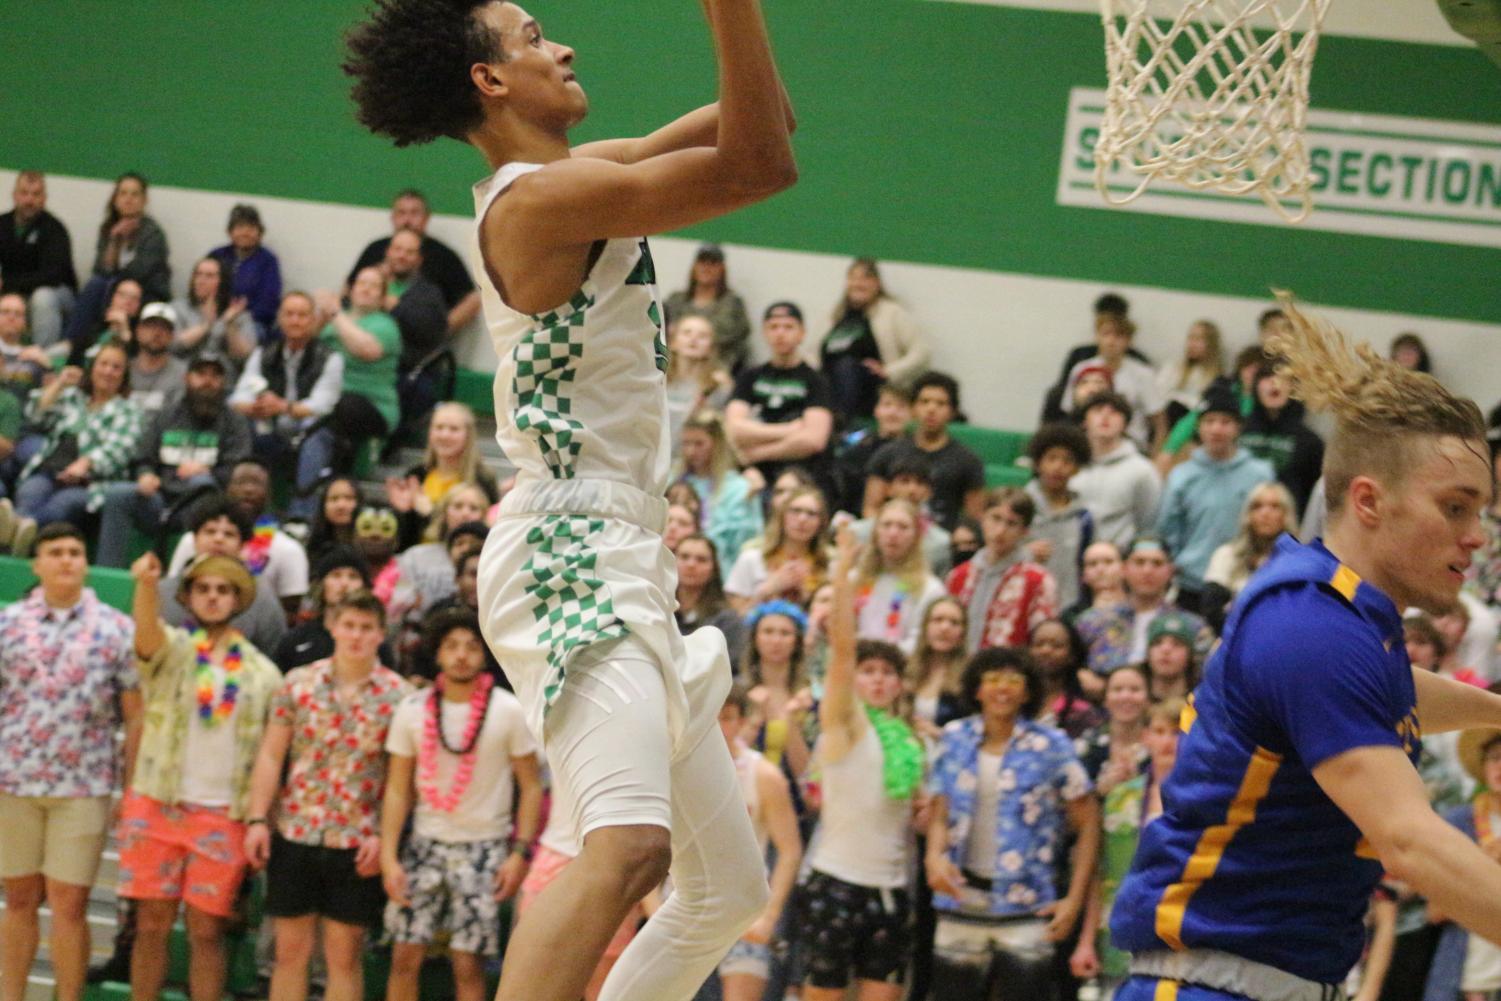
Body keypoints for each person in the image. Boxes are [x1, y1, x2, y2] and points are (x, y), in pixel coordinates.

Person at [342, 2, 798, 999]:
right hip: (568, 547)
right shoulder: (539, 202)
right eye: (534, 34)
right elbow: (762, 164)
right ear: (491, 81)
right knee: (628, 845)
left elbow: (765, 124)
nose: (564, 44)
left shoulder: (578, 178)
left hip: (620, 542)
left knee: (724, 889)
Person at [1109, 296, 1501, 1001]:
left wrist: (1494, 711)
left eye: (1479, 509)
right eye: (1454, 506)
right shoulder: (1310, 626)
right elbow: (1408, 840)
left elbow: (1391, 689)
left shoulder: (1342, 620)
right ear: (1367, 499)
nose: (1476, 533)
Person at [123, 549, 281, 1001]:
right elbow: (146, 634)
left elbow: (269, 757)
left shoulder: (263, 674)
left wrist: (259, 818)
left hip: (223, 814)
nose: (213, 597)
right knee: (150, 924)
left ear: (238, 600)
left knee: (207, 930)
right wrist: (147, 586)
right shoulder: (171, 650)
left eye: (223, 590)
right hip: (158, 800)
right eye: (203, 589)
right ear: (188, 597)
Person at [244, 591, 412, 1001]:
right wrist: (255, 820)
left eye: (366, 628)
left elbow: (399, 783)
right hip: (295, 830)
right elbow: (271, 755)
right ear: (333, 627)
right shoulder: (297, 683)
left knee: (344, 957)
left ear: (380, 634)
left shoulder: (401, 697)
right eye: (349, 625)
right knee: (289, 953)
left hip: (357, 841)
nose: (356, 635)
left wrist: (385, 839)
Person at [0, 522, 142, 1001]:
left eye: (75, 551)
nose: (66, 559)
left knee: (70, 904)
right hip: (13, 780)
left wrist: (130, 784)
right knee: (18, 899)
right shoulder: (7, 623)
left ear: (87, 563)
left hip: (83, 785)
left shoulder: (116, 627)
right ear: (36, 564)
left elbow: (134, 712)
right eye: (55, 552)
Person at [381, 608, 542, 1001]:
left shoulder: (508, 709)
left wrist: (519, 853)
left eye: (471, 646)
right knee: (404, 956)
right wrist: (388, 856)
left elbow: (532, 787)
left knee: (468, 964)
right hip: (424, 844)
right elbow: (398, 789)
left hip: (484, 848)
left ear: (485, 655)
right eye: (451, 646)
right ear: (436, 653)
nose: (461, 655)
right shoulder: (412, 709)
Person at [925, 647, 1100, 1001]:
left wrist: (1073, 900)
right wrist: (932, 856)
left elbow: (1089, 822)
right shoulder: (954, 738)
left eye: (1012, 680)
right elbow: (940, 811)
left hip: (1028, 905)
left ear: (1027, 691)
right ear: (976, 689)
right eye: (992, 679)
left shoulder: (1051, 745)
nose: (1001, 688)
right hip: (960, 900)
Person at [798, 529, 925, 1001]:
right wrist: (844, 568)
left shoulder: (911, 743)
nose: (877, 679)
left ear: (899, 685)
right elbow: (843, 653)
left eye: (888, 672)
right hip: (836, 883)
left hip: (890, 888)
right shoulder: (845, 722)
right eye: (869, 672)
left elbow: (909, 815)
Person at [1070, 696, 1184, 999]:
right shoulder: (1120, 798)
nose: (1168, 742)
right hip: (1120, 931)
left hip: (1181, 933)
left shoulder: (1206, 798)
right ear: (1145, 737)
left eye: (1177, 733)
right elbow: (1101, 872)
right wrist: (1085, 941)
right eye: (1159, 732)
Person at [95, 351, 251, 568]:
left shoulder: (234, 422)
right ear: (187, 379)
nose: (208, 381)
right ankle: (108, 574)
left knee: (201, 485)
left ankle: (189, 571)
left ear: (223, 382)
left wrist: (209, 472)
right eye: (201, 374)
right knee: (118, 494)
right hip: (161, 498)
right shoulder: (167, 415)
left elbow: (239, 469)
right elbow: (144, 457)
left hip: (207, 505)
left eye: (215, 376)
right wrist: (145, 475)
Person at [715, 682, 803, 1001]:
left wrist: (770, 916)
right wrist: (654, 907)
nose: (717, 726)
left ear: (741, 721)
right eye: (709, 715)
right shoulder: (675, 767)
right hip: (682, 905)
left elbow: (791, 850)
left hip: (744, 908)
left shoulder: (764, 774)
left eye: (726, 717)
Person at [1155, 383, 1275, 611]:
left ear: (1238, 427)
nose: (1216, 429)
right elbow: (1168, 530)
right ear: (1199, 427)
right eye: (1209, 422)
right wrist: (1179, 563)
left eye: (1225, 422)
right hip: (1192, 583)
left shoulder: (1260, 474)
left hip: (1245, 581)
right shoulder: (1182, 476)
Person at [12, 341, 143, 549]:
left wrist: (87, 462)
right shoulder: (73, 397)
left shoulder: (128, 410)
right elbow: (36, 415)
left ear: (124, 375)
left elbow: (120, 449)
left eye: (116, 367)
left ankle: (21, 532)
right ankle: (17, 536)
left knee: (61, 506)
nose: (108, 371)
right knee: (29, 492)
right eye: (104, 364)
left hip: (90, 483)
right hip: (49, 470)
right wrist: (59, 384)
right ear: (92, 368)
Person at [231, 290, 345, 519]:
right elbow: (237, 398)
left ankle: (300, 517)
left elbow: (323, 405)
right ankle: (245, 512)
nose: (295, 321)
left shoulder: (330, 358)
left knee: (315, 429)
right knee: (241, 424)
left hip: (307, 428)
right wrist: (255, 407)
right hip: (270, 427)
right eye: (290, 314)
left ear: (313, 321)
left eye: (302, 315)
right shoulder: (264, 353)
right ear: (280, 319)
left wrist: (284, 407)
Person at [166, 459, 311, 619]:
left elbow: (290, 613)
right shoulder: (190, 541)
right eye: (241, 482)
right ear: (227, 489)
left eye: (256, 483)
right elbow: (173, 593)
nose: (248, 489)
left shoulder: (288, 549)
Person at [726, 302, 836, 498]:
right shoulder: (749, 376)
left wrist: (756, 453)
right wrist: (789, 430)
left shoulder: (816, 380)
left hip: (799, 473)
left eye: (788, 327)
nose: (780, 333)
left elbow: (813, 440)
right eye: (774, 327)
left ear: (802, 333)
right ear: (764, 333)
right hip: (750, 474)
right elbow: (733, 428)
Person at [158, 495, 290, 656]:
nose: (218, 539)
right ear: (194, 539)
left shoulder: (261, 596)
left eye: (229, 534)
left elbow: (274, 655)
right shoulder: (163, 592)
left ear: (242, 546)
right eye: (210, 531)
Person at [306, 271, 401, 482]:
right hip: (328, 396)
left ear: (383, 296)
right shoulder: (333, 320)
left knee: (341, 407)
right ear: (351, 288)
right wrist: (319, 316)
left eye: (374, 285)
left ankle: (337, 479)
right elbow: (305, 344)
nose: (366, 288)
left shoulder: (386, 325)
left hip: (371, 404)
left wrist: (335, 313)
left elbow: (366, 350)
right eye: (362, 283)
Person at [345, 189, 481, 336]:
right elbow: (348, 287)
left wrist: (439, 330)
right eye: (401, 213)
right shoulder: (375, 249)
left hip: (413, 337)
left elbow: (472, 300)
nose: (407, 220)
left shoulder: (443, 257)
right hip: (364, 329)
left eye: (414, 213)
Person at [1074, 535, 1212, 678]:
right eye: (1139, 563)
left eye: (1157, 563)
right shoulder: (1092, 622)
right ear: (1124, 569)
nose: (1147, 571)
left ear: (1170, 571)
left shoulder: (1192, 626)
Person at [65, 173, 171, 355]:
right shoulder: (108, 229)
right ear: (115, 199)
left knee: (107, 288)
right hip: (115, 291)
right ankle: (72, 346)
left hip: (147, 293)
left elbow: (138, 273)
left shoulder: (153, 234)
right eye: (123, 194)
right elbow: (100, 270)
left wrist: (115, 283)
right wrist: (114, 240)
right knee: (95, 285)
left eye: (134, 194)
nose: (128, 199)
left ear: (144, 200)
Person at [865, 371, 985, 532]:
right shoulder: (888, 454)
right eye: (925, 402)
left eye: (941, 403)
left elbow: (974, 518)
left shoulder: (968, 461)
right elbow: (871, 508)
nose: (931, 409)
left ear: (952, 412)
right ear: (913, 408)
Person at [946, 486, 1059, 653]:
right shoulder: (958, 576)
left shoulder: (1038, 581)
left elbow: (1042, 642)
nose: (1000, 531)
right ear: (982, 518)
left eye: (1011, 523)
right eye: (995, 518)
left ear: (1024, 531)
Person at [817, 257, 929, 421]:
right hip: (830, 384)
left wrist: (889, 371)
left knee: (846, 366)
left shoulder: (891, 313)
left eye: (865, 278)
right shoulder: (835, 316)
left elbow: (922, 353)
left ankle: (841, 423)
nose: (858, 283)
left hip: (874, 388)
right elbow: (812, 353)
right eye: (853, 278)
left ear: (877, 283)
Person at [273, 544, 397, 673]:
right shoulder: (295, 640)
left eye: (353, 576)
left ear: (364, 586)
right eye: (336, 575)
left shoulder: (376, 644)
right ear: (322, 585)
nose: (344, 584)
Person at [384, 401, 501, 532]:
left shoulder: (483, 478)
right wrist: (401, 513)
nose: (445, 435)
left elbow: (483, 532)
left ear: (468, 435)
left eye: (454, 429)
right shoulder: (416, 475)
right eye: (439, 428)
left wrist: (430, 513)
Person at [378, 228, 452, 433]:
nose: (401, 255)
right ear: (388, 252)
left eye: (409, 252)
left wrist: (397, 309)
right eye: (397, 249)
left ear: (419, 259)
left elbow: (431, 332)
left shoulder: (429, 294)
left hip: (406, 369)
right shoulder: (371, 283)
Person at [1061, 312, 1166, 453]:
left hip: (1132, 445)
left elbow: (1160, 424)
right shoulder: (1081, 369)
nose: (1111, 341)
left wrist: (1156, 458)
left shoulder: (1143, 374)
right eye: (1106, 334)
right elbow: (1070, 412)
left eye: (1118, 336)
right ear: (1096, 337)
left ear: (1129, 341)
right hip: (1086, 442)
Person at [852, 497, 947, 651]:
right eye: (886, 525)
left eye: (903, 527)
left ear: (916, 536)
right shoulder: (855, 578)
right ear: (875, 531)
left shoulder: (929, 588)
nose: (893, 533)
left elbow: (920, 638)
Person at [1070, 391, 1162, 550]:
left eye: (1114, 412)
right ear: (1085, 420)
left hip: (1117, 559)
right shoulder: (1070, 465)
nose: (1105, 416)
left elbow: (1148, 523)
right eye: (1098, 410)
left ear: (1125, 424)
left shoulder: (1142, 470)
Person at [725, 484, 831, 614]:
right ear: (781, 517)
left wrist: (808, 596)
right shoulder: (751, 559)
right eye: (795, 511)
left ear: (821, 523)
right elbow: (734, 619)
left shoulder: (830, 565)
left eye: (812, 514)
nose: (802, 519)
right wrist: (768, 590)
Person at [0, 170, 77, 348]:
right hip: (15, 290)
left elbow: (52, 275)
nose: (29, 200)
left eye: (35, 194)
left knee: (42, 298)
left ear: (44, 198)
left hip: (57, 293)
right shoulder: (2, 224)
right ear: (14, 195)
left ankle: (39, 360)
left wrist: (7, 284)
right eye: (24, 193)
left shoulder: (55, 229)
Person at [1239, 361, 1325, 518]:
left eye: (1283, 378)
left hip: (1289, 530)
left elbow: (1316, 501)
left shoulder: (1310, 443)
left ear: (1294, 389)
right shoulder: (1237, 432)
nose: (1274, 382)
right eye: (1266, 377)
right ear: (1256, 386)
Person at [676, 408, 763, 563]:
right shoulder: (672, 481)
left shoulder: (740, 489)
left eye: (699, 444)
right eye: (686, 443)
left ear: (717, 444)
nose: (691, 451)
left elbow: (748, 544)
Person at [850, 449, 953, 578]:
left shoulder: (940, 543)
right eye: (905, 481)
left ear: (929, 492)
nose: (912, 489)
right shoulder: (858, 533)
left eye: (920, 483)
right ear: (889, 488)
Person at [1025, 422, 1096, 610]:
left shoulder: (1084, 517)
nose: (1058, 466)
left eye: (1067, 461)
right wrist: (1024, 552)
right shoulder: (1021, 506)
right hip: (1025, 600)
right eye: (1051, 458)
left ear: (1076, 468)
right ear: (1038, 462)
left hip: (1068, 605)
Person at [664, 243, 752, 371]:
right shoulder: (676, 300)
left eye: (713, 263)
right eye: (702, 262)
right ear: (694, 267)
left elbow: (736, 338)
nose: (707, 268)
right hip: (674, 368)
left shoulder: (732, 303)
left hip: (719, 368)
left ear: (722, 269)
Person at [1203, 481, 1299, 599]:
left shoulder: (1297, 563)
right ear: (1248, 515)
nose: (1265, 513)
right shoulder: (1225, 556)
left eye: (1275, 506)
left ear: (1286, 516)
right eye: (1257, 506)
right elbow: (1212, 609)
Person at [833, 382, 911, 517]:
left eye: (901, 407)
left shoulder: (917, 452)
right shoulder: (856, 453)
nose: (893, 413)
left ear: (912, 413)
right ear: (876, 410)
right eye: (887, 405)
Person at [1072, 663, 1150, 797]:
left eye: (1135, 690)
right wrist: (1099, 790)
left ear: (1148, 699)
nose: (1126, 696)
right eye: (1117, 690)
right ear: (1105, 699)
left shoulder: (1163, 743)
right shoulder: (1087, 745)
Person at [665, 312, 734, 454]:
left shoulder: (718, 385)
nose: (693, 339)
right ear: (673, 342)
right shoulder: (658, 378)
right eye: (687, 333)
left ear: (711, 347)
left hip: (691, 459)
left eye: (702, 336)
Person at [208, 204, 281, 336]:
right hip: (213, 317)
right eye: (240, 227)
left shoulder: (268, 261)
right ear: (230, 231)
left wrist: (236, 316)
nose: (245, 233)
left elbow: (268, 303)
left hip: (251, 322)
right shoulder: (217, 255)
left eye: (251, 228)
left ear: (260, 232)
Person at [675, 533, 747, 666]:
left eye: (701, 559)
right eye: (684, 557)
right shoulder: (658, 611)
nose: (691, 564)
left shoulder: (727, 620)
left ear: (714, 568)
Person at [906, 596, 970, 743]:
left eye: (954, 623)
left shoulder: (969, 678)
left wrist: (938, 733)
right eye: (938, 620)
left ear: (962, 634)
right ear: (925, 627)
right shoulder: (905, 669)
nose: (944, 628)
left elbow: (975, 738)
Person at [172, 256, 256, 365]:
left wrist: (229, 325)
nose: (201, 281)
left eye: (209, 276)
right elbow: (172, 346)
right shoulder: (178, 308)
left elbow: (244, 357)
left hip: (224, 377)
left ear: (223, 281)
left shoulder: (238, 315)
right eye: (198, 274)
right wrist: (207, 325)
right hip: (185, 375)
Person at [1030, 618, 1104, 740]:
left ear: (1072, 655)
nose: (1046, 650)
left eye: (1057, 646)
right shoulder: (1016, 703)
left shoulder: (1082, 711)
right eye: (1039, 644)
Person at [123, 302, 187, 422]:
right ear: (138, 331)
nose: (157, 333)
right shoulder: (123, 370)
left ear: (172, 336)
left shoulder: (183, 374)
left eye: (164, 328)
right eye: (151, 326)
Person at [1156, 320, 1225, 428]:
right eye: (1190, 338)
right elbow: (1158, 396)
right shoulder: (1172, 368)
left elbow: (1206, 407)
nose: (1192, 344)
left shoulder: (1219, 378)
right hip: (1167, 421)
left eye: (1198, 339)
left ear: (1211, 344)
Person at [65, 277, 143, 369]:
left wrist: (124, 329)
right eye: (122, 295)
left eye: (134, 298)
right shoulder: (94, 328)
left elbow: (134, 366)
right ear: (112, 298)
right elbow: (74, 360)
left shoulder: (139, 337)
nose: (128, 301)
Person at [0, 291, 50, 407]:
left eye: (18, 314)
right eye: (5, 312)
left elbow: (46, 402)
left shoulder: (36, 358)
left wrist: (48, 366)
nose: (11, 317)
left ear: (25, 323)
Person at [1143, 610, 1202, 702]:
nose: (1165, 649)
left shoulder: (1201, 702)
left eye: (1177, 644)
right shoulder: (1134, 702)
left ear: (1190, 655)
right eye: (1157, 643)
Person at [304, 477, 363, 566]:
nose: (341, 505)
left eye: (349, 498)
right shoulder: (311, 548)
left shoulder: (370, 549)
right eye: (334, 499)